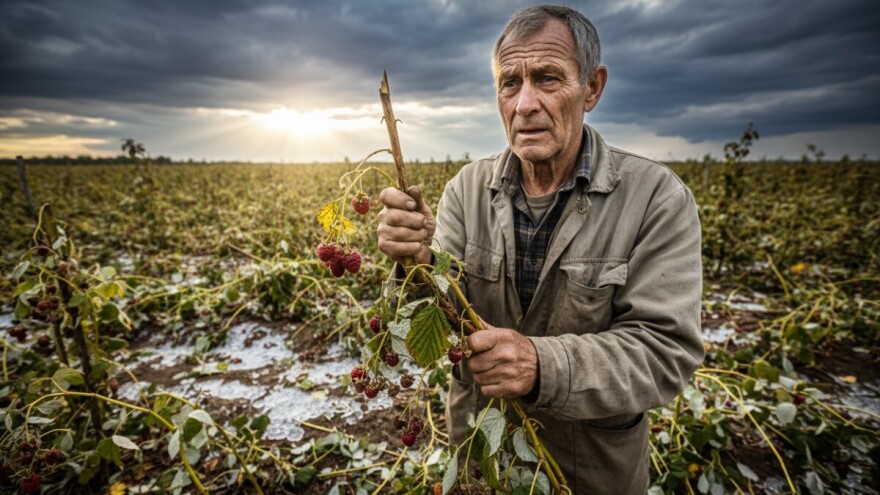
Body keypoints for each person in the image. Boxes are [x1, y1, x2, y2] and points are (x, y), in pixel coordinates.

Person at [376, 5, 704, 494]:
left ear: (592, 88)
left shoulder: (655, 198)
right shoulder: (467, 189)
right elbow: (438, 327)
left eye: (547, 79)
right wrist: (417, 265)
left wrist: (541, 365)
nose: (525, 102)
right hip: (481, 463)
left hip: (589, 473)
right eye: (510, 83)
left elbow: (666, 351)